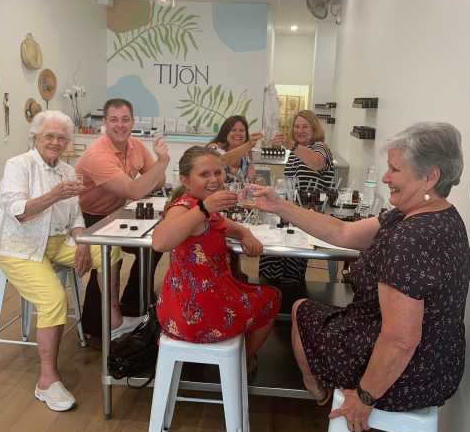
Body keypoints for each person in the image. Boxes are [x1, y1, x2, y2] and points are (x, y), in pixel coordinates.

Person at [254, 122, 470, 430]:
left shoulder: (412, 237)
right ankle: (319, 388)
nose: (385, 177)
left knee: (302, 310)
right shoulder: (436, 214)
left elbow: (400, 340)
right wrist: (279, 205)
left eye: (394, 170)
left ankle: (316, 390)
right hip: (438, 364)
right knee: (321, 311)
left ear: (429, 176)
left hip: (411, 373)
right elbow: (343, 232)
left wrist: (365, 398)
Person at [0, 111, 122, 412]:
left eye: (62, 137)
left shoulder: (66, 170)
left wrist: (82, 241)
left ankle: (113, 314)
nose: (56, 142)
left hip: (58, 241)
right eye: (49, 136)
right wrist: (55, 194)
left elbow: (75, 214)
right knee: (53, 300)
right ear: (35, 136)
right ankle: (46, 380)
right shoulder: (18, 165)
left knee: (109, 249)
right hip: (18, 246)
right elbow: (19, 211)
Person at [152, 146, 281, 370]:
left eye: (218, 172)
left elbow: (223, 224)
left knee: (244, 284)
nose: (214, 179)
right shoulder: (186, 208)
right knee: (272, 297)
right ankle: (242, 362)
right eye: (204, 174)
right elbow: (160, 242)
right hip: (200, 315)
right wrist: (204, 208)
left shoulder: (198, 205)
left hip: (174, 309)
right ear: (185, 180)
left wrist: (244, 232)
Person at [75, 98, 169, 341]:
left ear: (133, 122)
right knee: (107, 257)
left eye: (125, 119)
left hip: (116, 213)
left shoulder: (136, 145)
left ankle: (133, 304)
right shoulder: (97, 154)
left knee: (156, 243)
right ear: (104, 123)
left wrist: (155, 169)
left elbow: (157, 181)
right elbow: (135, 191)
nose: (120, 125)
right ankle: (96, 327)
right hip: (85, 217)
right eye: (114, 120)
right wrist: (162, 162)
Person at [259, 110, 335, 308]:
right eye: (296, 126)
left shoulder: (321, 148)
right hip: (290, 214)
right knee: (270, 258)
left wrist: (292, 145)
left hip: (309, 216)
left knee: (292, 266)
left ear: (314, 129)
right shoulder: (295, 153)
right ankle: (270, 305)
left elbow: (316, 163)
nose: (299, 130)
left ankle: (290, 308)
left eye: (305, 126)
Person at [207, 115, 263, 183]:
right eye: (233, 130)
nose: (238, 133)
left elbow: (252, 180)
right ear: (226, 133)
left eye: (241, 130)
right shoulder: (213, 149)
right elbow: (222, 160)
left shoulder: (246, 154)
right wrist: (248, 145)